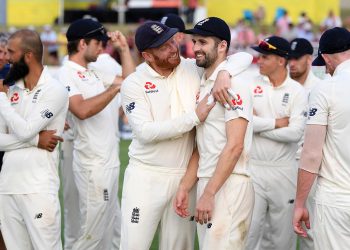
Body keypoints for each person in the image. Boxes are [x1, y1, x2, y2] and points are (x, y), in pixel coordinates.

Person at [120, 20, 252, 250]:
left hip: (186, 178)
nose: (173, 49)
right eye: (164, 47)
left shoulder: (192, 67)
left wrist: (225, 72)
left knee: (180, 246)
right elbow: (145, 132)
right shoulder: (134, 83)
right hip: (146, 175)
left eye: (173, 41)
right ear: (148, 56)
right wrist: (194, 116)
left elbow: (243, 57)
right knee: (134, 245)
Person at [174, 17, 255, 249]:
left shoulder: (233, 84)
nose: (196, 47)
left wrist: (209, 193)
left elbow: (235, 145)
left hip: (230, 185)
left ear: (222, 47)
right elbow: (203, 145)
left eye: (203, 42)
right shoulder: (205, 83)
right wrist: (185, 186)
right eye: (195, 41)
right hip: (210, 182)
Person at [57, 18, 135, 250]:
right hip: (93, 165)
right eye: (98, 43)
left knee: (110, 231)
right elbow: (81, 110)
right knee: (91, 235)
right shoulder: (67, 73)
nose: (102, 49)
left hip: (107, 162)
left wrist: (123, 49)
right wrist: (114, 89)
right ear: (83, 44)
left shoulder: (93, 70)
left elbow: (130, 83)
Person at [0, 29, 69, 249]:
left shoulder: (55, 90)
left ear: (28, 55)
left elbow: (25, 130)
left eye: (11, 52)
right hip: (8, 187)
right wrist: (35, 141)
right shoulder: (12, 89)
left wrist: (1, 97)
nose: (6, 57)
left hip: (39, 189)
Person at [246, 36, 308, 250]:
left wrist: (259, 129)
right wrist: (275, 123)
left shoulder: (297, 91)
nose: (259, 61)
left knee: (282, 238)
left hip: (284, 171)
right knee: (248, 233)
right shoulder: (250, 84)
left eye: (265, 57)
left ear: (281, 61)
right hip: (253, 169)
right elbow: (244, 122)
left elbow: (295, 133)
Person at [293, 27, 350, 250]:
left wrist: (299, 202)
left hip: (336, 199)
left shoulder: (326, 88)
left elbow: (311, 154)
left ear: (326, 58)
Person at [289, 37, 320, 250]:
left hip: (309, 165)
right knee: (276, 229)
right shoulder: (284, 86)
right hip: (283, 163)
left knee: (311, 230)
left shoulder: (320, 88)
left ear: (309, 59)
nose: (292, 63)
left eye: (297, 58)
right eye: (289, 58)